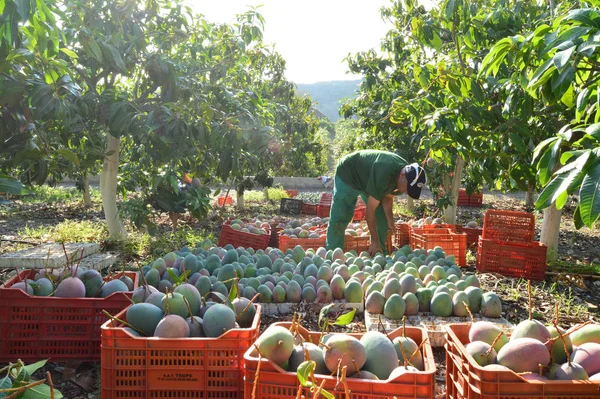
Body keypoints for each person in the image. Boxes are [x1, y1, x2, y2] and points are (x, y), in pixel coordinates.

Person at [326, 150, 427, 256]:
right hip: (349, 173)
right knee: (341, 216)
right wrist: (374, 240)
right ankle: (333, 255)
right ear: (402, 175)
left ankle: (380, 255)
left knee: (381, 221)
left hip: (369, 180)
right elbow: (370, 211)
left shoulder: (405, 175)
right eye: (408, 188)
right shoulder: (385, 173)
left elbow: (388, 197)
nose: (407, 192)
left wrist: (390, 220)